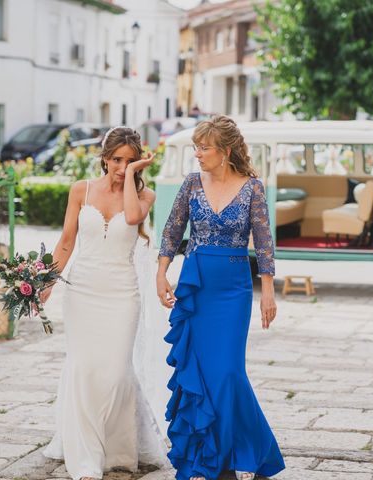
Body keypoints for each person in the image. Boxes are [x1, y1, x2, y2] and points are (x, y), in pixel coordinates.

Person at [156, 115, 285, 480]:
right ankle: (212, 460)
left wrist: (268, 293)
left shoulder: (252, 188)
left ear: (225, 151)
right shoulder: (192, 183)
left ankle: (253, 451)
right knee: (200, 373)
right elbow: (172, 228)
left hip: (232, 289)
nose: (197, 153)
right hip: (196, 286)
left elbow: (263, 242)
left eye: (203, 147)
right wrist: (161, 272)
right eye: (195, 146)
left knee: (227, 372)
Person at [40, 127, 167, 480]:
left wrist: (131, 177)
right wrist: (45, 281)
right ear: (104, 158)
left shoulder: (147, 196)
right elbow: (66, 242)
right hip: (82, 292)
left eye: (129, 161)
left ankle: (116, 447)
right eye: (116, 160)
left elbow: (131, 217)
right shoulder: (81, 191)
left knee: (114, 374)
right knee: (84, 371)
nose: (122, 167)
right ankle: (86, 460)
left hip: (122, 294)